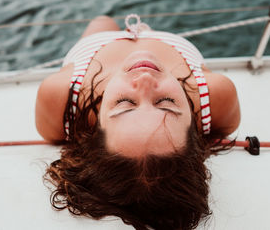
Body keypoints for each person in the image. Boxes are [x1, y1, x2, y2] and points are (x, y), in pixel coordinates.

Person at [36, 14, 240, 230]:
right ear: (194, 128)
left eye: (125, 102)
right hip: (163, 43)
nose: (145, 79)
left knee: (102, 20)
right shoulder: (216, 94)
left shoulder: (61, 98)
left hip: (99, 43)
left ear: (94, 132)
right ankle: (146, 32)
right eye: (166, 101)